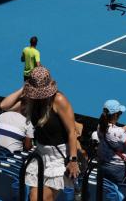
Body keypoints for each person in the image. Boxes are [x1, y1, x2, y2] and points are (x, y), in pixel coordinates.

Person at [24, 66, 79, 201]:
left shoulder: (59, 100)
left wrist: (73, 160)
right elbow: (4, 105)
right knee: (33, 198)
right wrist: (24, 90)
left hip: (58, 158)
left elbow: (72, 131)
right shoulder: (33, 101)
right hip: (40, 155)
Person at [96, 99, 126, 192]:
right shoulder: (118, 131)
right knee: (116, 192)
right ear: (115, 115)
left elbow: (114, 133)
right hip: (116, 168)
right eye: (120, 113)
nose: (120, 115)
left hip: (103, 164)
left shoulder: (100, 126)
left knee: (104, 190)